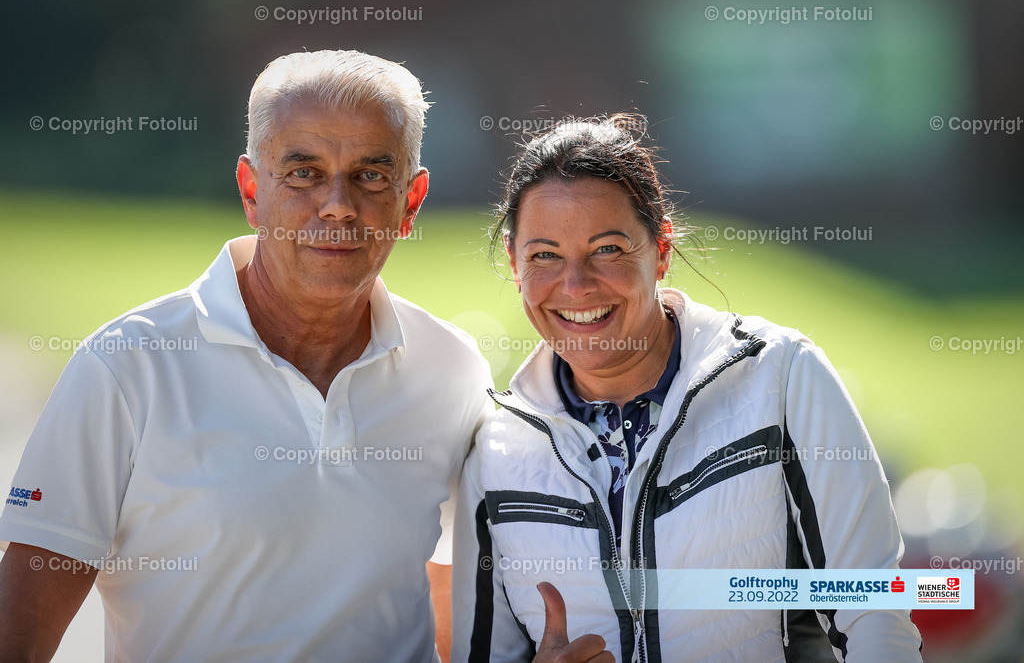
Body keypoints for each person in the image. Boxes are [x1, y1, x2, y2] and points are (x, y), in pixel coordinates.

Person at [0, 50, 492, 661]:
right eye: (303, 173)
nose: (337, 204)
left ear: (410, 201)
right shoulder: (126, 367)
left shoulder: (454, 367)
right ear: (252, 190)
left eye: (370, 174)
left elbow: (437, 591)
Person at [451, 114, 923, 662]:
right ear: (514, 261)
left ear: (662, 248)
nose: (575, 285)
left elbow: (873, 613)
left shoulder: (782, 377)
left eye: (607, 249)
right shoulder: (492, 453)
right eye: (544, 256)